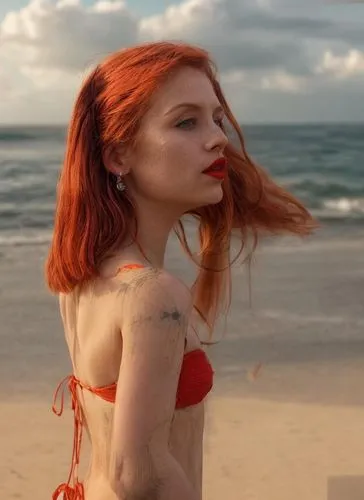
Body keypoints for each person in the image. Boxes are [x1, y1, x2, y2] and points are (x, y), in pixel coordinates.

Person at [45, 41, 316, 500]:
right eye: (186, 121)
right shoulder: (153, 293)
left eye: (217, 119)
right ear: (118, 156)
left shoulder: (85, 275)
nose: (218, 139)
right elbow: (138, 476)